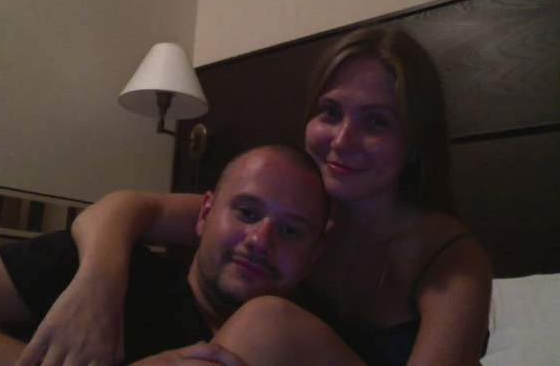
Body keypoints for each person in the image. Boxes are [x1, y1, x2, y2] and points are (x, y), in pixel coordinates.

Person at [24, 26, 493, 365]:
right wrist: (96, 288)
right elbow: (125, 208)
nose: (342, 140)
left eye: (376, 121)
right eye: (330, 112)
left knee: (267, 322)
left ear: (414, 143)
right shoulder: (296, 215)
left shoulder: (450, 260)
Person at [0, 145, 334, 365]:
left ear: (314, 257)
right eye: (247, 212)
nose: (260, 240)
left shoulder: (308, 343)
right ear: (204, 215)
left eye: (290, 231)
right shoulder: (102, 272)